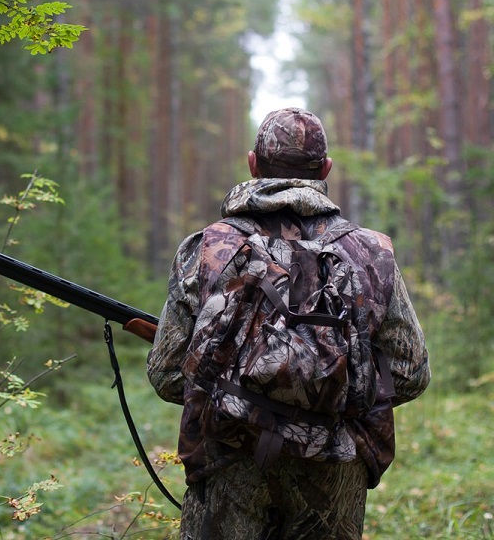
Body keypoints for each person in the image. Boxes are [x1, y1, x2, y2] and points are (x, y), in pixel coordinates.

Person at [147, 107, 431, 539]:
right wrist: (329, 395)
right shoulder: (372, 252)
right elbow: (411, 374)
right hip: (336, 465)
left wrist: (243, 394)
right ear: (325, 169)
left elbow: (167, 375)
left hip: (228, 459)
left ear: (253, 164)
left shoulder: (207, 248)